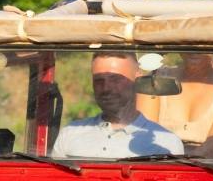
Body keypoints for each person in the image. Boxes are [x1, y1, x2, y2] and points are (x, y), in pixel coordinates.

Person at [51, 53, 183, 158]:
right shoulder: (70, 135)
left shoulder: (165, 144)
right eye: (99, 80)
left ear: (137, 79)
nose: (106, 88)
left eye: (115, 79)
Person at [137, 51, 213, 156]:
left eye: (204, 41)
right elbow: (144, 138)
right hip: (155, 168)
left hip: (210, 172)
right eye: (189, 40)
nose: (196, 48)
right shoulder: (154, 80)